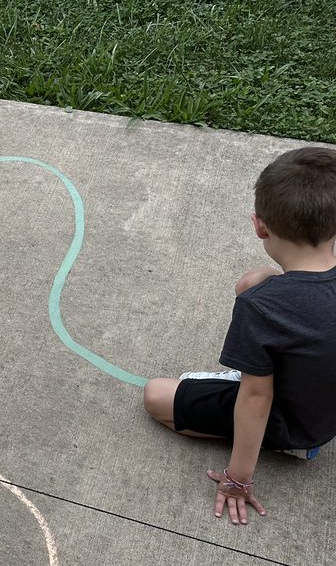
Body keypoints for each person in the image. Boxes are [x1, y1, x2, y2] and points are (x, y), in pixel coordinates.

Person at [142, 146, 336, 525]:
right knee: (254, 280)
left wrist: (238, 478)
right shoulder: (266, 298)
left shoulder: (264, 307)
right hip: (325, 406)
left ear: (260, 225)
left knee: (156, 396)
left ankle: (285, 445)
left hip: (294, 424)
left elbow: (256, 397)